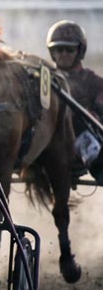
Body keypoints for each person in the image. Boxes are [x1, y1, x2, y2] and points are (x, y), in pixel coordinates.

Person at [47, 20, 103, 182]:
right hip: (47, 140)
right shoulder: (43, 79)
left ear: (80, 51)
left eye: (69, 49)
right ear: (52, 52)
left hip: (80, 143)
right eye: (59, 49)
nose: (63, 54)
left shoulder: (94, 82)